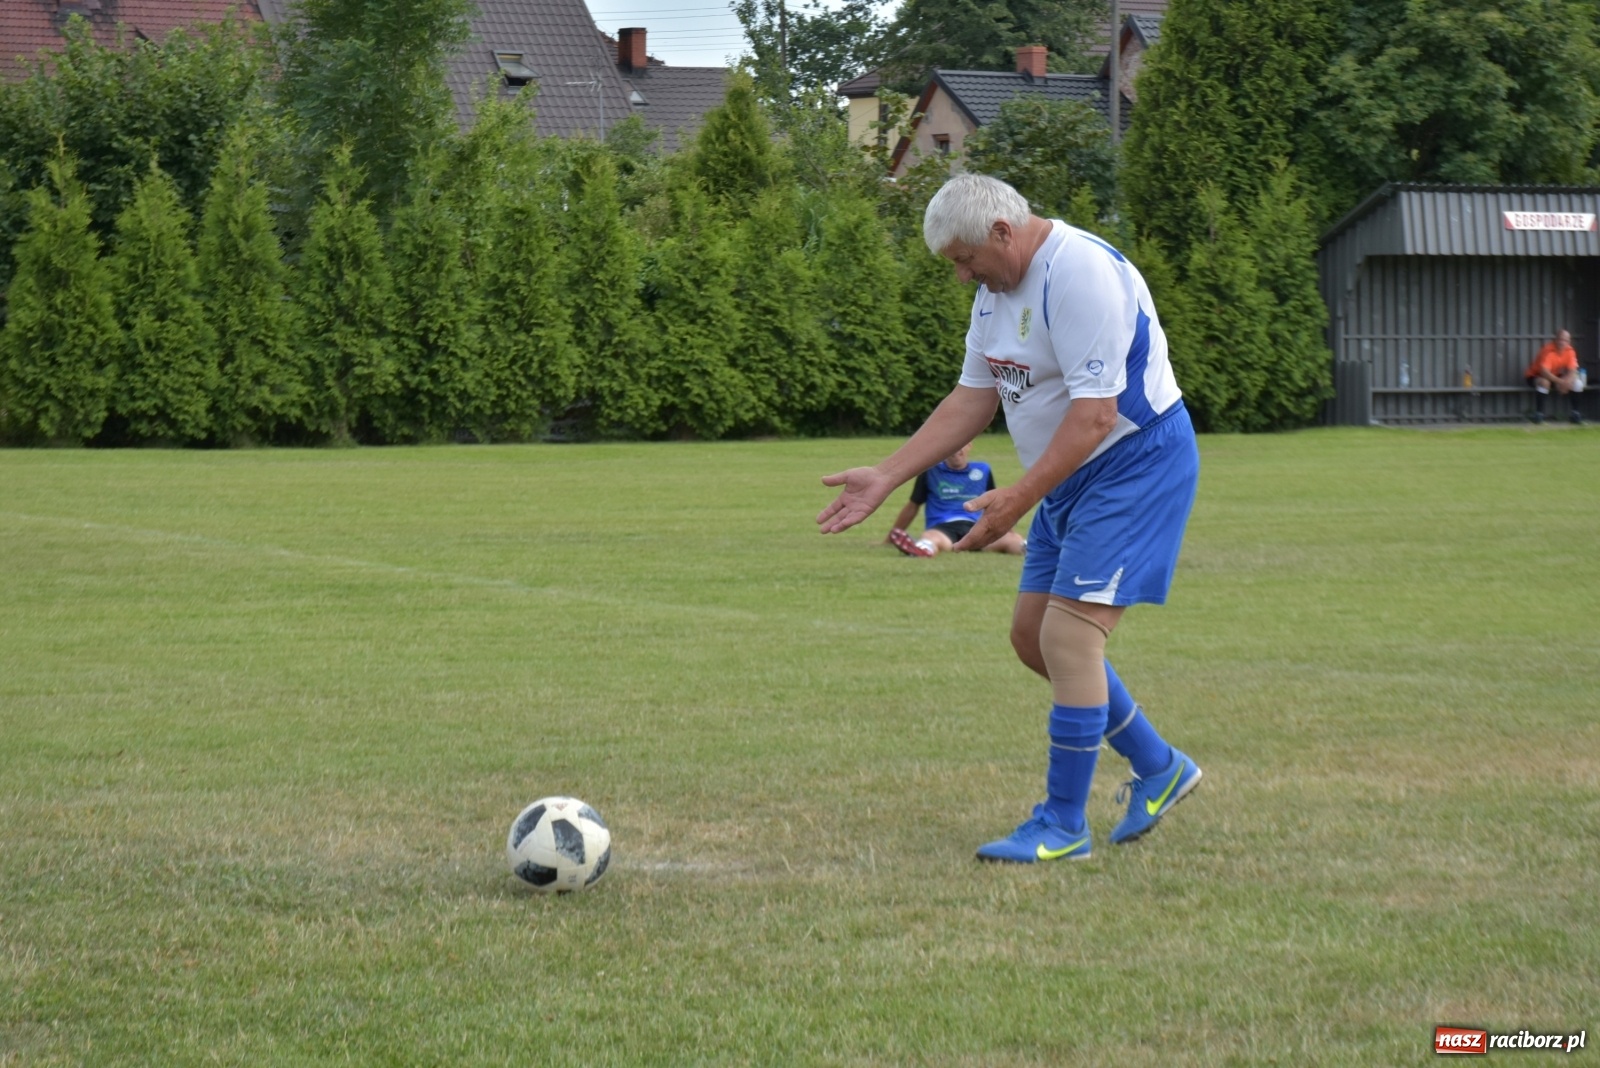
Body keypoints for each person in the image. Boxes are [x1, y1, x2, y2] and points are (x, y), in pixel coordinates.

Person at [817, 173, 1202, 864]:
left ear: (1003, 231)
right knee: (1033, 638)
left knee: (1070, 640)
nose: (963, 276)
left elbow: (1097, 415)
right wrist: (887, 474)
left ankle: (1062, 825)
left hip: (1133, 465)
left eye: (966, 260)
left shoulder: (1078, 272)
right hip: (1070, 476)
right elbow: (972, 399)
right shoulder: (995, 297)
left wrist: (1017, 499)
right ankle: (1160, 765)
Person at [886, 441, 1027, 558]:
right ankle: (922, 550)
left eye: (962, 445)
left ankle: (1029, 550)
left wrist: (1009, 531)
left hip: (976, 527)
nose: (956, 450)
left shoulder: (983, 470)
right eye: (952, 446)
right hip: (943, 528)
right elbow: (913, 506)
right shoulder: (930, 471)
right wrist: (889, 539)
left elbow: (994, 505)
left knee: (1011, 540)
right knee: (930, 537)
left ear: (969, 446)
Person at [1526, 329, 1584, 424]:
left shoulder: (1570, 351)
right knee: (1545, 382)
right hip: (1535, 375)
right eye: (1560, 339)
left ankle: (1575, 414)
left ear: (1569, 342)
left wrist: (1567, 382)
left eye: (1565, 340)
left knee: (1577, 383)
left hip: (1554, 376)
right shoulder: (1548, 350)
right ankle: (1538, 414)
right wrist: (1561, 382)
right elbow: (1544, 372)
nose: (1562, 342)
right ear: (1555, 340)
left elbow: (1573, 370)